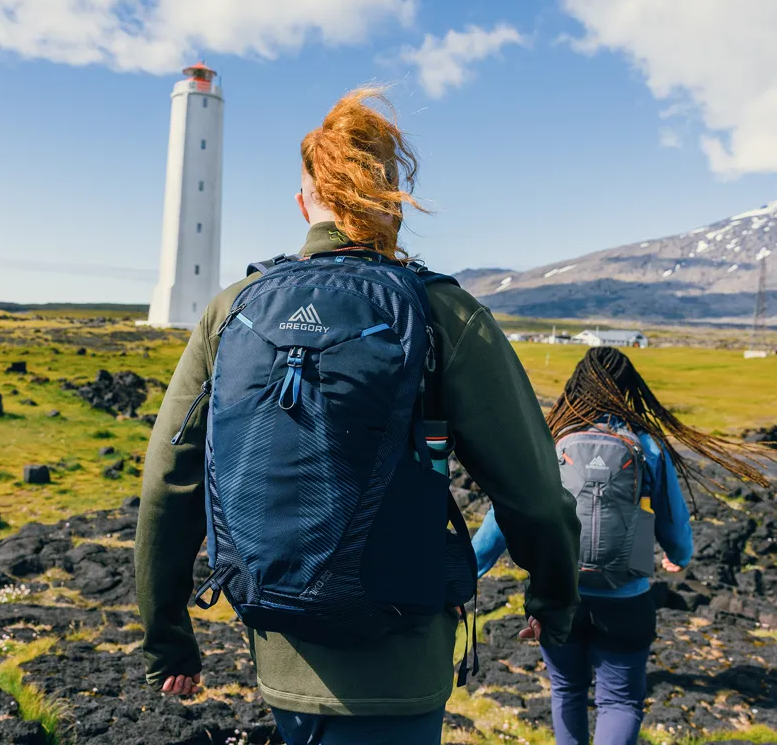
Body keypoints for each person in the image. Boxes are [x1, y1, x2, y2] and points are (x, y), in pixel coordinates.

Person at [134, 87, 581, 745]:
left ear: (304, 202)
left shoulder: (232, 309)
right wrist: (554, 599)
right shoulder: (443, 313)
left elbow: (167, 484)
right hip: (401, 659)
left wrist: (166, 638)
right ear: (392, 203)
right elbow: (537, 492)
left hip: (279, 645)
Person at [471, 346, 773, 745]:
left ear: (574, 389)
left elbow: (504, 514)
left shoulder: (550, 439)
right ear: (628, 391)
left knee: (566, 691)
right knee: (620, 702)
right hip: (626, 595)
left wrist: (469, 567)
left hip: (560, 593)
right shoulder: (646, 446)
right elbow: (673, 522)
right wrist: (678, 557)